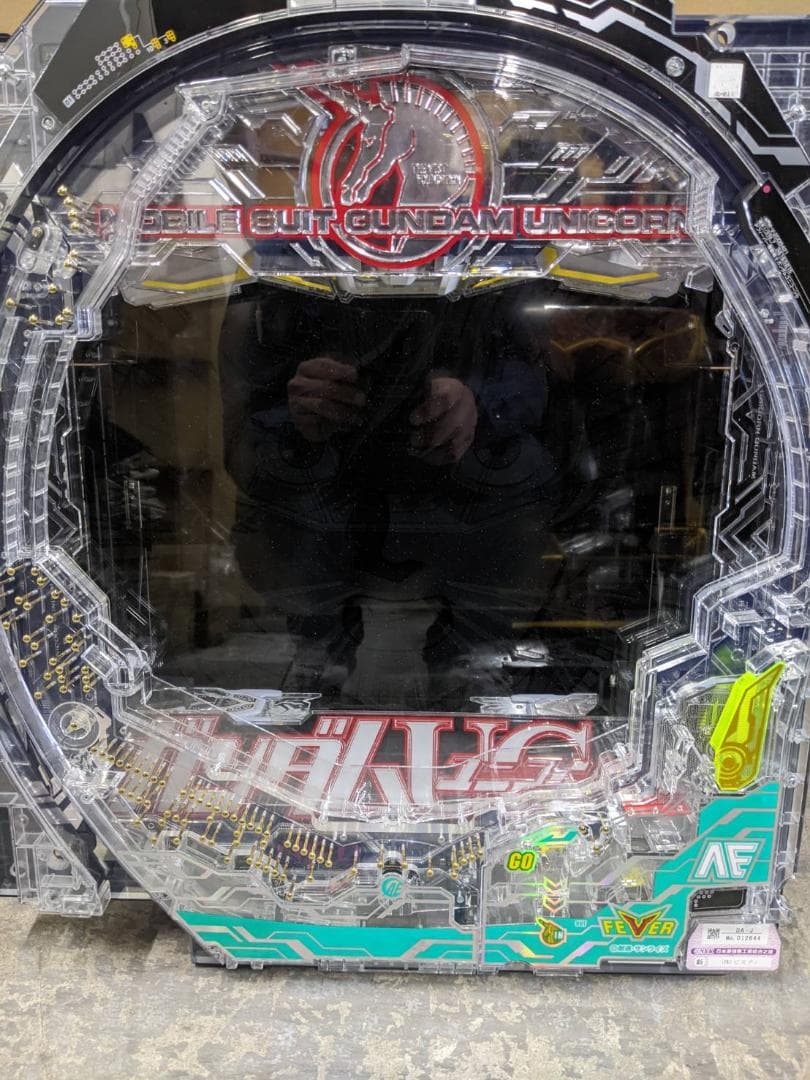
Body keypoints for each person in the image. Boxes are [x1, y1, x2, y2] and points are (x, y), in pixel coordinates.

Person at [218, 282, 559, 707]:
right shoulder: (282, 283)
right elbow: (246, 410)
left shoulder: (500, 278)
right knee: (293, 514)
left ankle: (471, 657)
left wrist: (480, 407)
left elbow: (538, 381)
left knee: (518, 480)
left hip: (452, 477)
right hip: (337, 475)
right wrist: (298, 415)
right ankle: (320, 655)